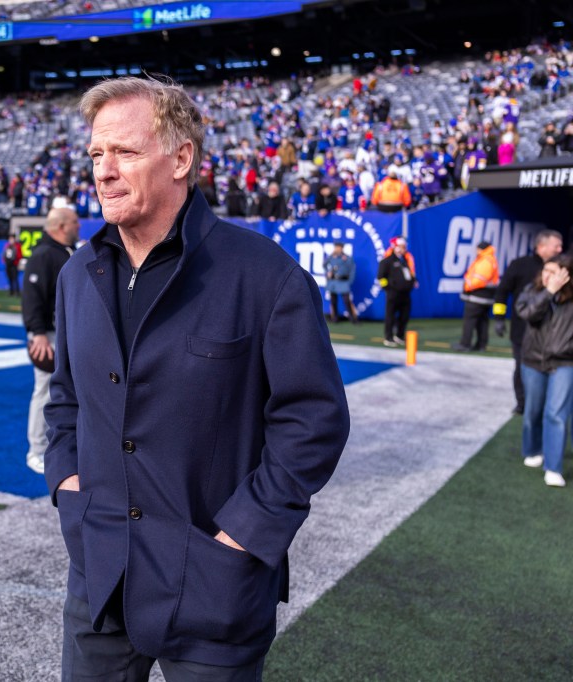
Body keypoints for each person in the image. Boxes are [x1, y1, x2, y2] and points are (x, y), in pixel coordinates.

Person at [45, 76, 349, 680]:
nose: (103, 171)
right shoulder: (76, 274)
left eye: (125, 152)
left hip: (215, 586)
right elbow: (66, 400)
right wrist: (69, 488)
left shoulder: (265, 275)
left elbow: (313, 419)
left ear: (181, 158)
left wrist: (243, 534)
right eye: (96, 154)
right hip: (100, 575)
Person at [21, 206, 79, 475]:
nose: (79, 225)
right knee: (44, 389)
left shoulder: (65, 252)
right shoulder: (44, 255)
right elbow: (32, 297)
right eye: (75, 221)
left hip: (69, 333)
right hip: (50, 335)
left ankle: (66, 443)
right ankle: (36, 449)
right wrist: (38, 332)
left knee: (72, 390)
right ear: (62, 226)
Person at [516, 254, 573, 488]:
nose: (547, 275)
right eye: (545, 270)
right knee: (533, 411)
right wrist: (548, 292)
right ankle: (532, 448)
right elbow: (528, 314)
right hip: (533, 360)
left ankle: (553, 466)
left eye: (555, 271)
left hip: (565, 362)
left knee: (556, 413)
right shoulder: (532, 291)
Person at [493, 229, 564, 414]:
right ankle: (522, 403)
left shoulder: (563, 267)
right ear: (541, 246)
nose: (560, 249)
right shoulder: (520, 265)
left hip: (553, 335)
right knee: (522, 367)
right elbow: (502, 292)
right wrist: (499, 318)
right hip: (522, 330)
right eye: (556, 245)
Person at [453, 241, 499, 352]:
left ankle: (465, 344)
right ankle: (481, 345)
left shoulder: (485, 260)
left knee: (470, 320)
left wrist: (467, 288)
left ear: (481, 249)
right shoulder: (490, 259)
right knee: (482, 321)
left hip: (478, 296)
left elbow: (478, 280)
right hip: (487, 296)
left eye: (477, 249)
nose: (475, 251)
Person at [377, 236, 417, 346]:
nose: (404, 249)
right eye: (401, 246)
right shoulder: (387, 261)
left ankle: (399, 335)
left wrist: (413, 281)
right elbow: (381, 277)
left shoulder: (405, 260)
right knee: (390, 316)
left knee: (404, 316)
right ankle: (388, 337)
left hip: (405, 293)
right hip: (393, 293)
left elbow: (410, 274)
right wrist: (388, 289)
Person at [324, 242, 358, 323]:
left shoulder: (347, 258)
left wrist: (350, 281)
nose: (337, 249)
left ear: (342, 248)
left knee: (347, 300)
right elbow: (325, 265)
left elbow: (352, 270)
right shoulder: (332, 257)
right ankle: (334, 318)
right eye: (336, 247)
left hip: (343, 281)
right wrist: (328, 272)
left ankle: (353, 318)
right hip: (333, 282)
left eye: (339, 247)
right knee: (333, 301)